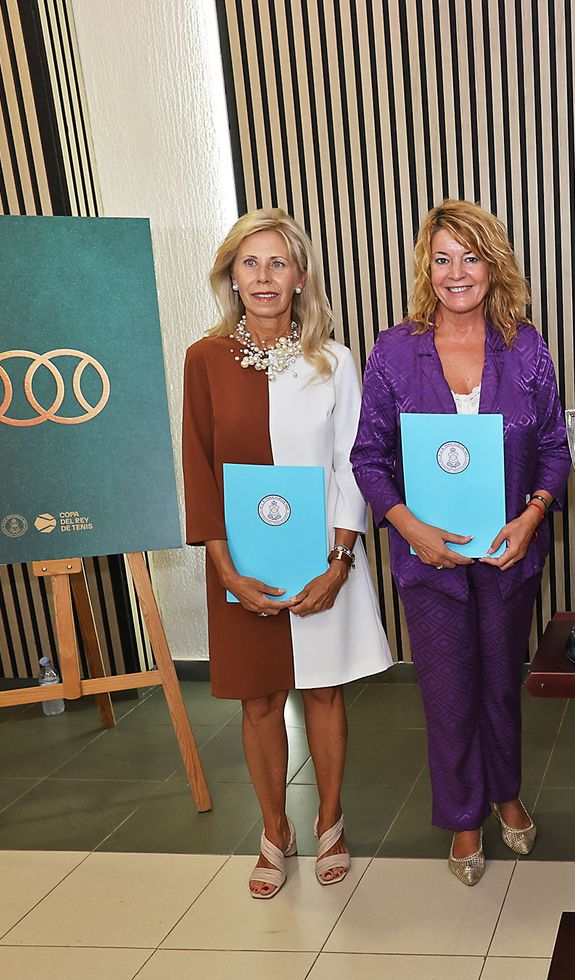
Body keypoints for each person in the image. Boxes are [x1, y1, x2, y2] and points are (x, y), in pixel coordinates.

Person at [351, 199, 570, 886]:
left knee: (502, 685)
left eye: (470, 256)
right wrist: (410, 527)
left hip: (508, 554)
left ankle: (507, 793)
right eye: (442, 258)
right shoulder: (393, 350)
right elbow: (369, 456)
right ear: (427, 266)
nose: (456, 272)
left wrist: (533, 515)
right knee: (447, 692)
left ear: (493, 264)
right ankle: (465, 816)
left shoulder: (526, 346)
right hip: (429, 562)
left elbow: (554, 450)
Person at [181, 208, 392, 899]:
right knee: (260, 699)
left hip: (325, 559)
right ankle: (276, 830)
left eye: (278, 263)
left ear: (300, 277)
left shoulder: (334, 360)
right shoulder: (204, 360)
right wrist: (224, 567)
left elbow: (353, 462)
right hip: (241, 563)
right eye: (250, 263)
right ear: (231, 277)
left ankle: (330, 818)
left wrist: (339, 563)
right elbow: (200, 466)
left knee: (326, 692)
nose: (265, 277)